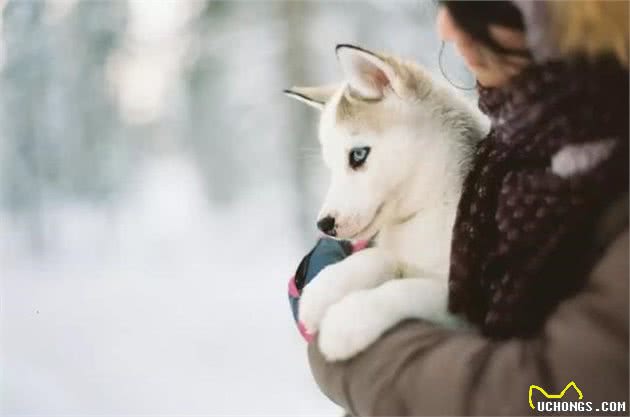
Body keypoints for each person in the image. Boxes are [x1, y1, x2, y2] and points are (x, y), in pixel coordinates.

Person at [294, 1, 629, 415]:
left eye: (478, 5)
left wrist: (355, 351)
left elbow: (563, 398)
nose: (446, 26)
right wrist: (369, 267)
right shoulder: (511, 154)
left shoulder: (587, 181)